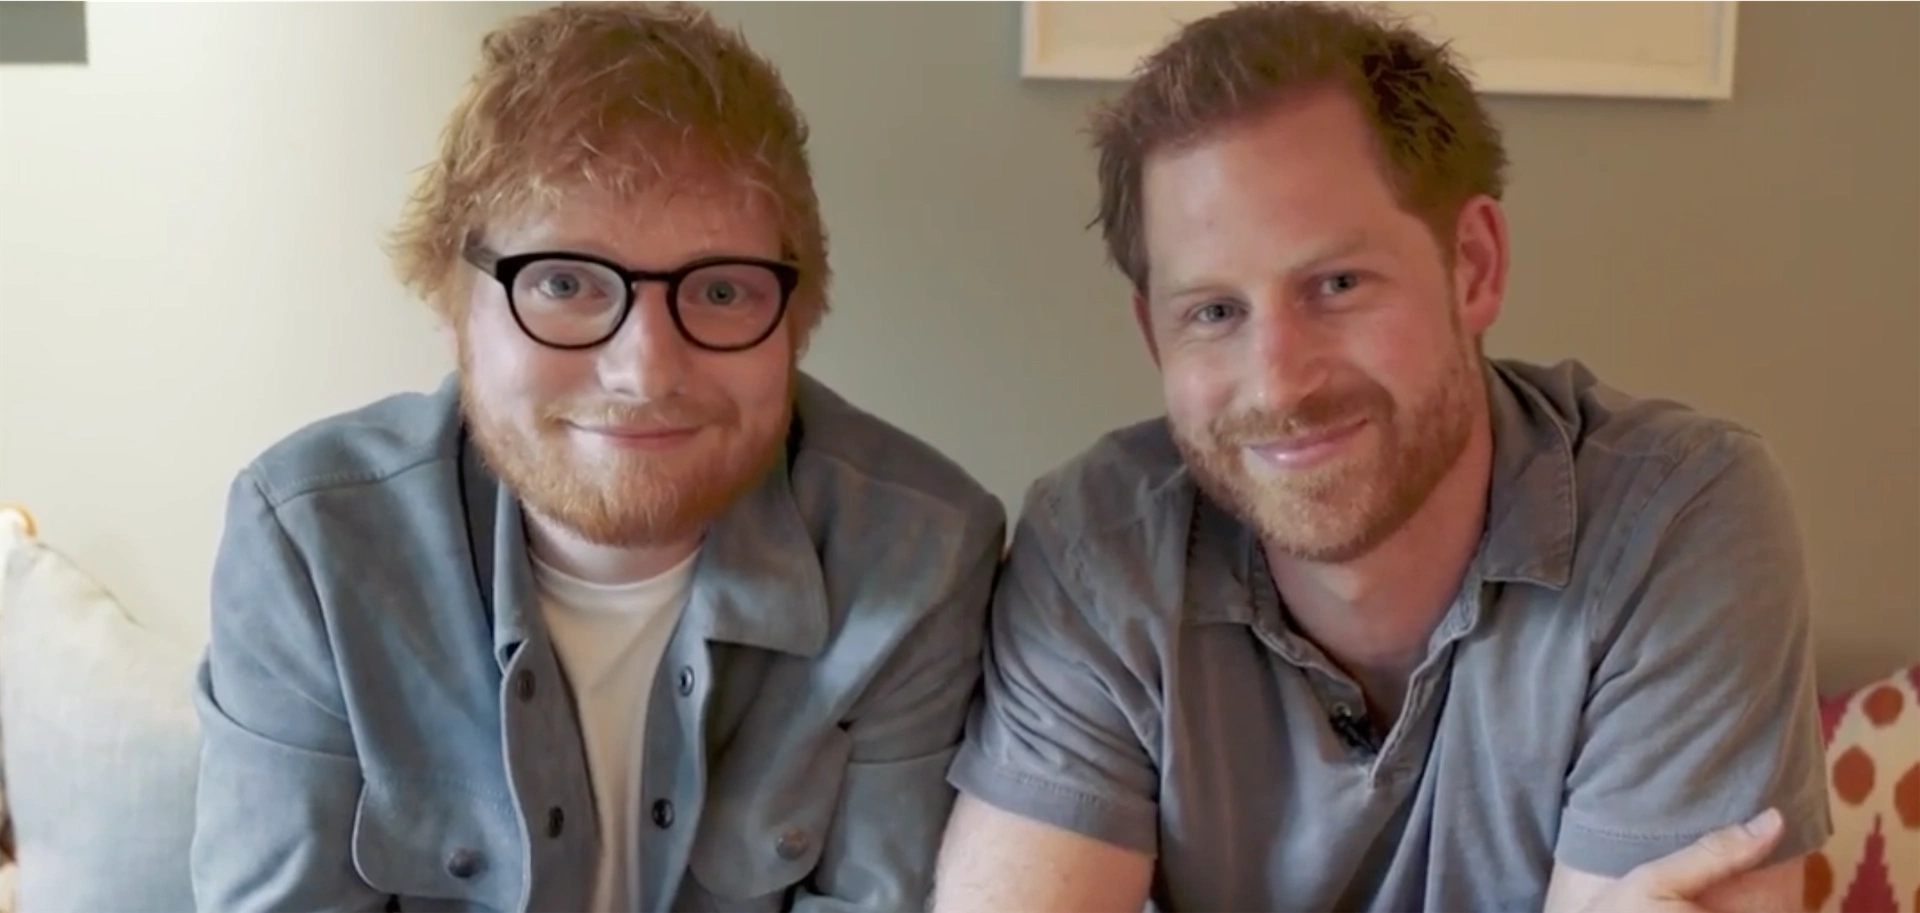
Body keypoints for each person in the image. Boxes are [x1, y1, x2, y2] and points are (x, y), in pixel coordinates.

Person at [931, 2, 1831, 911]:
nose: (1278, 383)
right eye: (1214, 312)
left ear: (1472, 265)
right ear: (1154, 335)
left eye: (1337, 284)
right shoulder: (1096, 554)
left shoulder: (1674, 521)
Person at [189, 3, 1005, 911]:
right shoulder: (310, 544)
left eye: (723, 289)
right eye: (565, 283)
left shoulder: (920, 555)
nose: (645, 369)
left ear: (795, 318)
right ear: (457, 305)